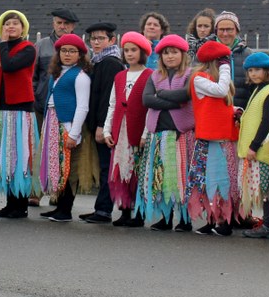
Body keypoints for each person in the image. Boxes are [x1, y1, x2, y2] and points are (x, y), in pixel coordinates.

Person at [0, 10, 39, 219]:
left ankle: (21, 204)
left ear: (23, 28)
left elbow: (8, 67)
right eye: (7, 24)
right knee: (5, 157)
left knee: (19, 157)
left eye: (15, 24)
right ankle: (10, 203)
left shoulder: (28, 49)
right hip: (1, 107)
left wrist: (3, 45)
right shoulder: (0, 50)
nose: (10, 27)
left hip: (20, 109)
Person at [139, 34, 194, 232]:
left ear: (183, 54)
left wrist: (160, 95)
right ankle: (166, 216)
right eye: (165, 53)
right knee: (161, 177)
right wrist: (175, 102)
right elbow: (146, 100)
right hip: (159, 133)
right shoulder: (155, 76)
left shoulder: (189, 74)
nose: (170, 57)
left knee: (181, 177)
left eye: (174, 53)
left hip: (181, 134)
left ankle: (185, 219)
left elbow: (186, 95)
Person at [37, 34, 93, 222]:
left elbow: (83, 106)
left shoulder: (81, 77)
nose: (67, 54)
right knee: (57, 166)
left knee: (68, 169)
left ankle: (66, 209)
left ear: (80, 55)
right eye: (63, 51)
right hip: (52, 122)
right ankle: (58, 205)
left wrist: (73, 133)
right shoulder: (57, 73)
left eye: (72, 51)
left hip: (67, 124)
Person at [187, 40, 238, 236]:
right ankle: (212, 219)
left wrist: (234, 110)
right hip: (210, 140)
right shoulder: (199, 78)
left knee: (224, 181)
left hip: (222, 138)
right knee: (210, 181)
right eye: (224, 62)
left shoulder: (214, 81)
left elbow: (217, 105)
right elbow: (221, 91)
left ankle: (224, 220)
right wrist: (225, 68)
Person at [104, 31, 153, 228]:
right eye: (127, 50)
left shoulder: (150, 76)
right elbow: (113, 104)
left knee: (137, 169)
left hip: (138, 129)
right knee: (121, 168)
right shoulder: (120, 76)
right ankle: (125, 209)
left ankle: (139, 212)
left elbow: (150, 108)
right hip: (120, 130)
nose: (130, 54)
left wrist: (145, 134)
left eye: (134, 50)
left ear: (142, 52)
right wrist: (108, 130)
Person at [31, 7, 78, 205]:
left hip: (67, 110)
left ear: (73, 26)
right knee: (40, 151)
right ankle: (36, 193)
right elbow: (32, 76)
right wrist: (35, 96)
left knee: (62, 153)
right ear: (53, 24)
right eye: (59, 22)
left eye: (66, 23)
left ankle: (57, 193)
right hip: (42, 107)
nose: (62, 26)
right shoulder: (41, 46)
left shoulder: (80, 48)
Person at [79, 22, 125, 224]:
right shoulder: (99, 62)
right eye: (93, 39)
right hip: (99, 123)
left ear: (112, 40)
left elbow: (108, 97)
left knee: (107, 167)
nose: (96, 43)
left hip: (105, 125)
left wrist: (100, 126)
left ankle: (104, 210)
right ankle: (101, 207)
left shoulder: (110, 63)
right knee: (104, 166)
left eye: (101, 39)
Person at [236, 52, 269, 239]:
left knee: (265, 188)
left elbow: (266, 121)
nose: (253, 74)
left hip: (261, 149)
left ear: (268, 71)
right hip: (256, 149)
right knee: (262, 188)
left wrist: (254, 145)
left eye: (258, 70)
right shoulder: (258, 89)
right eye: (250, 70)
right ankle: (267, 224)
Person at [212, 10, 252, 110]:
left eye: (229, 29)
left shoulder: (248, 54)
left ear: (236, 31)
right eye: (221, 29)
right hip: (216, 111)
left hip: (243, 111)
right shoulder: (208, 54)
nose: (225, 34)